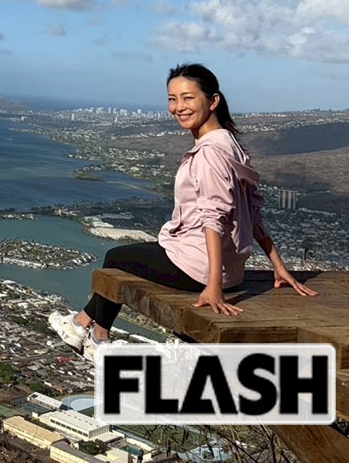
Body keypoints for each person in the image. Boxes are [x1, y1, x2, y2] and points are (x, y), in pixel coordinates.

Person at [49, 63, 317, 361]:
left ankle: (96, 336)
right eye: (172, 99)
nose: (178, 107)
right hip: (232, 271)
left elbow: (213, 219)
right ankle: (83, 326)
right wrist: (277, 265)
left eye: (188, 98)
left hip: (199, 269)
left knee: (114, 260)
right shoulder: (231, 145)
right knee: (131, 256)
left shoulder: (208, 154)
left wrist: (212, 286)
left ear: (213, 101)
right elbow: (251, 212)